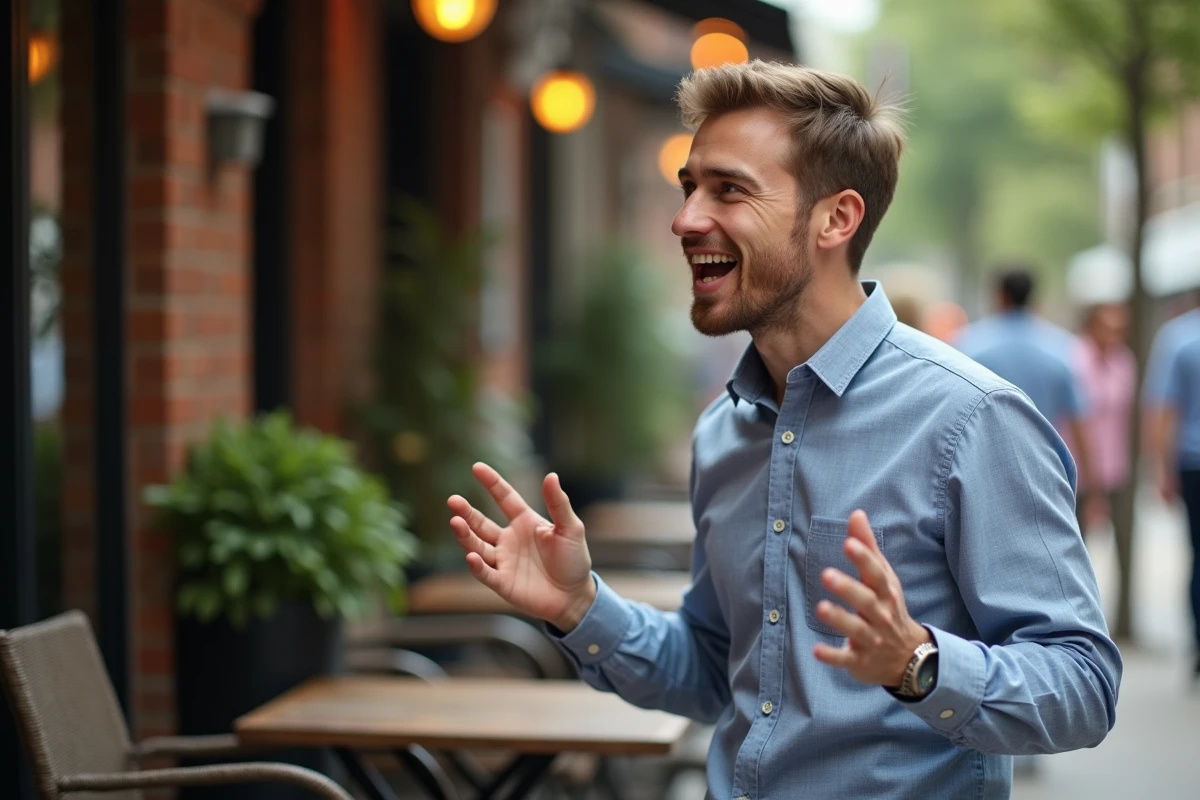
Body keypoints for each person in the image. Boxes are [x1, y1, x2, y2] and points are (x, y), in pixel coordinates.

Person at [448, 61, 1120, 799]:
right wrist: (580, 608)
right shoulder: (723, 433)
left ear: (837, 218)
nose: (686, 219)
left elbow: (1084, 688)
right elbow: (716, 672)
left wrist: (917, 663)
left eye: (729, 189)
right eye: (688, 187)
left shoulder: (970, 419)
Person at [956, 268, 1100, 522]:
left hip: (986, 473)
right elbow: (1079, 422)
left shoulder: (969, 346)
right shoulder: (1062, 349)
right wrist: (1093, 489)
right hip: (1045, 473)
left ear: (1000, 296)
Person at [1143, 293, 1200, 679]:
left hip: (1192, 461)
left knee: (1197, 553)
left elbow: (1162, 408)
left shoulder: (1178, 337)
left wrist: (1160, 469)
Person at [1069, 303, 1136, 535]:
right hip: (1080, 467)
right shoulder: (1074, 360)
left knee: (1123, 531)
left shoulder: (1123, 361)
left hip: (1116, 466)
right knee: (1079, 536)